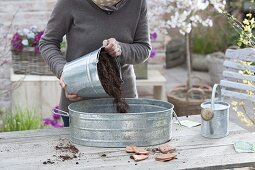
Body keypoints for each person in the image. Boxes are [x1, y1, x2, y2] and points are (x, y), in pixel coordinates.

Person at [39, 0, 151, 127]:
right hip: (79, 105)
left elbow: (143, 49)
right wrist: (64, 72)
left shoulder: (137, 3)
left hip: (122, 105)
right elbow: (48, 43)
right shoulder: (70, 2)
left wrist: (120, 49)